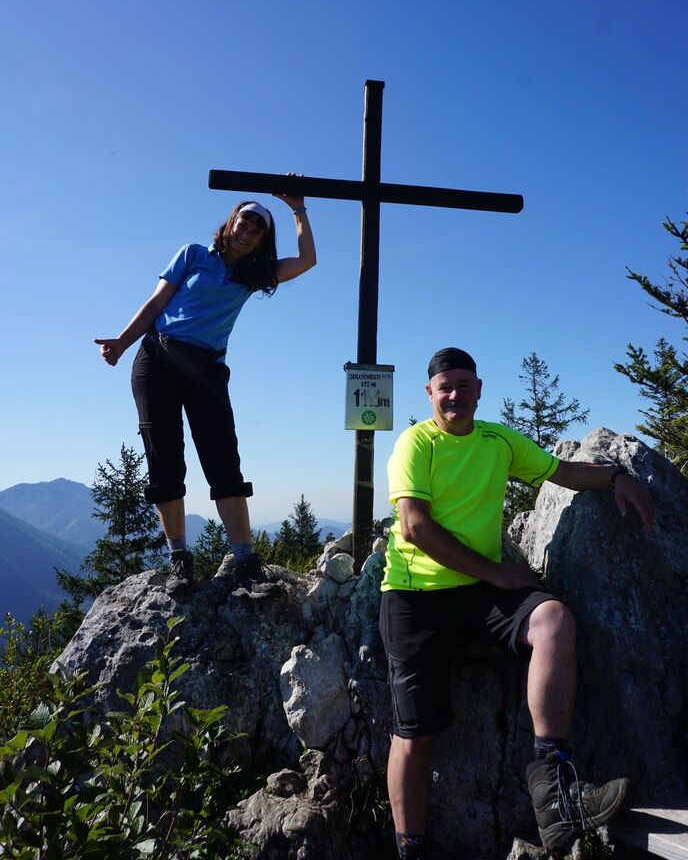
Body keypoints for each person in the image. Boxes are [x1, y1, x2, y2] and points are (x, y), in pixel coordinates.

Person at [380, 347, 654, 860]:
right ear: (430, 393)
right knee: (414, 735)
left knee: (552, 620)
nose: (455, 395)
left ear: (479, 390)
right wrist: (497, 573)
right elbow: (414, 526)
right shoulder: (416, 442)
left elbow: (563, 472)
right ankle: (411, 848)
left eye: (464, 385)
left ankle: (554, 792)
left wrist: (617, 477)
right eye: (445, 387)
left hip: (475, 592)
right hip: (414, 598)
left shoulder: (498, 441)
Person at [95, 192, 316, 596]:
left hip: (207, 370)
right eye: (245, 221)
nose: (249, 230)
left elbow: (306, 261)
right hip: (156, 359)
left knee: (222, 460)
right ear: (231, 221)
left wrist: (298, 209)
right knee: (164, 459)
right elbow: (156, 303)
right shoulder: (193, 254)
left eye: (258, 229)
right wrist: (122, 342)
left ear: (263, 240)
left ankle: (245, 562)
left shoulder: (254, 273)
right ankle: (180, 559)